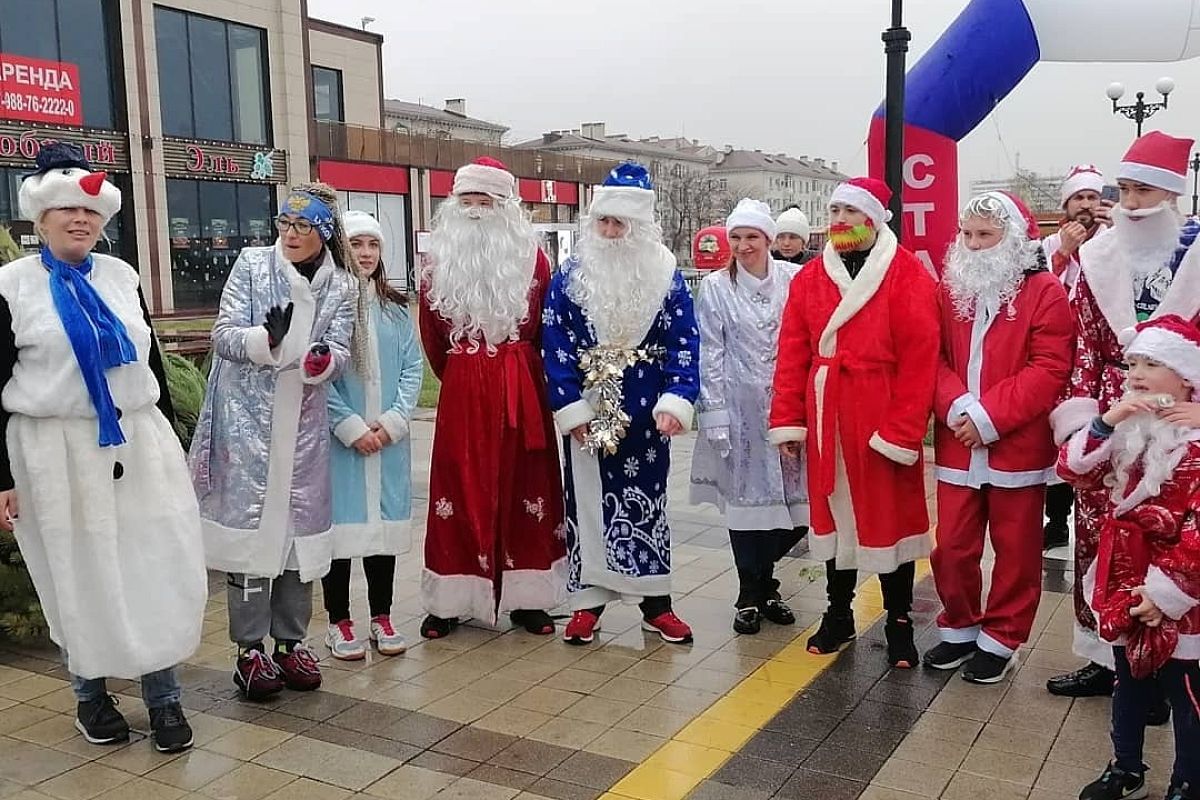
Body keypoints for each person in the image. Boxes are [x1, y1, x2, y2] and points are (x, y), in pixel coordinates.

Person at [0, 143, 206, 752]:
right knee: (78, 573)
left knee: (155, 560)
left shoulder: (122, 277)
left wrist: (171, 441)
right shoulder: (12, 286)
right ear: (39, 219)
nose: (79, 220)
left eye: (90, 211)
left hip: (137, 438)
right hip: (53, 448)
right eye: (64, 210)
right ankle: (91, 698)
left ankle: (164, 697)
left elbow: (154, 369)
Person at [190, 182, 361, 701]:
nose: (289, 234)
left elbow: (341, 351)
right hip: (249, 422)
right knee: (252, 534)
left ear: (324, 233)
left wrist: (320, 361)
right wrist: (264, 341)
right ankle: (249, 650)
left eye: (302, 226)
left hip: (303, 424)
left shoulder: (342, 286)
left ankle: (290, 643)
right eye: (285, 224)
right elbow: (222, 334)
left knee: (298, 537)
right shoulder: (251, 264)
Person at [1048, 131, 1200, 702]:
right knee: (1099, 536)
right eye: (1127, 190)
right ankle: (1104, 653)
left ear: (1172, 195)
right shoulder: (1096, 258)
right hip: (1113, 411)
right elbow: (1082, 342)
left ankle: (1169, 663)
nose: (1132, 204)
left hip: (1183, 422)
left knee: (1171, 538)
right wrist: (1085, 418)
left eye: (1146, 192)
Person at [769, 177, 938, 668]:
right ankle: (838, 612)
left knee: (892, 519)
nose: (839, 219)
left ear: (874, 219)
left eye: (851, 211)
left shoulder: (907, 274)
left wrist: (903, 430)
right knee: (832, 517)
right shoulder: (810, 279)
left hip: (881, 412)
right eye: (835, 209)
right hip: (827, 411)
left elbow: (921, 358)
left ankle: (899, 619)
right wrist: (788, 422)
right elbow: (793, 354)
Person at [542, 161, 700, 645]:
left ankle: (656, 603)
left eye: (619, 224)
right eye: (603, 222)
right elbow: (554, 342)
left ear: (639, 227)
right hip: (589, 405)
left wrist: (678, 398)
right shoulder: (570, 276)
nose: (610, 233)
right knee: (585, 501)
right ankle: (588, 604)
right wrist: (570, 406)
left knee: (648, 501)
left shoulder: (667, 276)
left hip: (647, 407)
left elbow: (684, 341)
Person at [927, 192, 1073, 683]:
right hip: (957, 443)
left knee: (1016, 549)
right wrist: (958, 408)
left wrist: (989, 415)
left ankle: (1003, 635)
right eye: (966, 234)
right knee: (951, 546)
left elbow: (1050, 368)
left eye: (985, 236)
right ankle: (960, 625)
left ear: (1012, 238)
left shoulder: (1045, 292)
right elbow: (933, 357)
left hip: (1016, 444)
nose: (972, 245)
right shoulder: (950, 290)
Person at [419, 157, 565, 639]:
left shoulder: (534, 259)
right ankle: (449, 599)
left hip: (520, 382)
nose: (477, 210)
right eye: (469, 201)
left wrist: (525, 374)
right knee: (457, 486)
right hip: (463, 383)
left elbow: (549, 329)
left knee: (528, 487)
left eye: (487, 201)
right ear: (454, 205)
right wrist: (462, 374)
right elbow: (431, 336)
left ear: (506, 206)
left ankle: (529, 599)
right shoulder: (436, 262)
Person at [1057, 315, 1200, 800]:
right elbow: (1072, 468)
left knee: (1186, 692)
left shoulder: (1196, 444)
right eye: (1132, 362)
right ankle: (1126, 768)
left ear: (1186, 378)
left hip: (1183, 594)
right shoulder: (1130, 431)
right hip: (1124, 579)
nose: (1135, 374)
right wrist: (1106, 421)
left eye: (1153, 363)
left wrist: (1165, 594)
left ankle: (1188, 780)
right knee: (1128, 680)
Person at [690, 198, 808, 635]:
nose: (742, 246)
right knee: (745, 507)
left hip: (787, 408)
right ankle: (752, 595)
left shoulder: (795, 280)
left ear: (768, 240)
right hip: (739, 410)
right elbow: (711, 352)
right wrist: (714, 412)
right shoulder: (717, 287)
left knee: (796, 508)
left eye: (751, 237)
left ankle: (763, 583)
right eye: (736, 238)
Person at [322, 211, 423, 660]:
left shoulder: (395, 309)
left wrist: (394, 421)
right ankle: (338, 621)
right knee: (340, 533)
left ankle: (381, 615)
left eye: (373, 245)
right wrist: (349, 426)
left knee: (382, 531)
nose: (365, 253)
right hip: (343, 444)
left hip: (388, 440)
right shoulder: (327, 304)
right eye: (357, 244)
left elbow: (412, 368)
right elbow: (318, 374)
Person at [1042, 165, 1110, 551]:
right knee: (1057, 437)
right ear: (1066, 205)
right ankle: (1056, 520)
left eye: (1092, 198)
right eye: (1078, 198)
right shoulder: (1052, 246)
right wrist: (1064, 253)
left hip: (1099, 359)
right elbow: (1037, 290)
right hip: (1059, 355)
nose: (1085, 206)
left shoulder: (1115, 240)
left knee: (1093, 434)